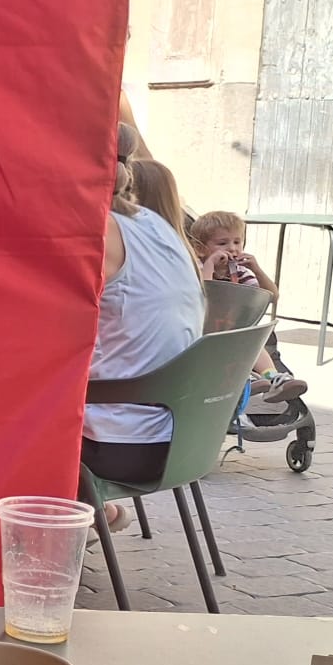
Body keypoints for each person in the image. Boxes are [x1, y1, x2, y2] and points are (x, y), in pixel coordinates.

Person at [89, 151, 205, 531]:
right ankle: (86, 513)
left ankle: (67, 523)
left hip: (127, 446)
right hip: (186, 436)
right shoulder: (157, 224)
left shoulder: (100, 229)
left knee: (2, 416)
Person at [188, 209, 308, 401]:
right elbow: (204, 294)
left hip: (233, 329)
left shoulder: (241, 273)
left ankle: (273, 378)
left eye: (237, 242)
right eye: (222, 243)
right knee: (232, 342)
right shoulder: (197, 268)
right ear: (200, 248)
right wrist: (210, 265)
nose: (232, 248)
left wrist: (256, 270)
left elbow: (272, 296)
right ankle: (246, 379)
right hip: (203, 331)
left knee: (252, 340)